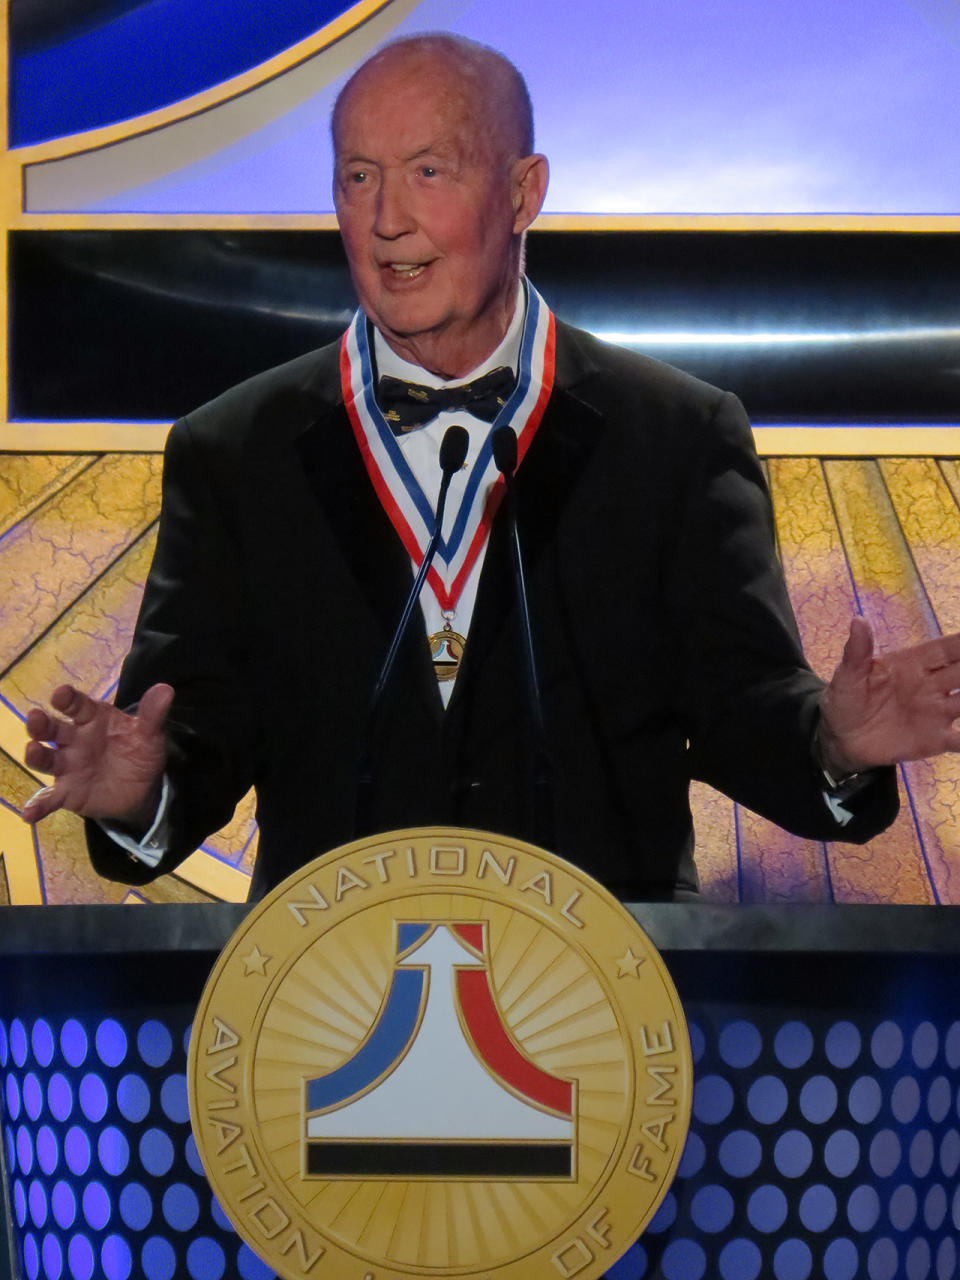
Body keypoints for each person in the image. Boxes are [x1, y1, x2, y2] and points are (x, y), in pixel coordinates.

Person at [20, 35, 960, 902]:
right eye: (358, 177)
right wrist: (137, 791)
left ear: (522, 193)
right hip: (328, 1021)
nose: (387, 220)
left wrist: (834, 745)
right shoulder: (234, 450)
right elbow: (195, 733)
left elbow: (740, 706)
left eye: (429, 171)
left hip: (599, 1024)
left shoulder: (673, 435)